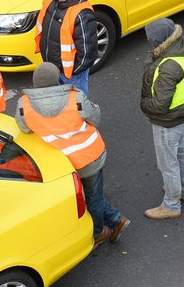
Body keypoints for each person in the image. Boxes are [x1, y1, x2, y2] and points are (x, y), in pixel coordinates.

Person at [17, 62, 129, 247]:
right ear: (57, 79)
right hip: (89, 156)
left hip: (60, 164)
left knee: (86, 197)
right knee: (93, 196)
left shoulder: (24, 104)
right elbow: (96, 118)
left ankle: (108, 225)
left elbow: (24, 128)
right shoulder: (75, 98)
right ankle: (104, 228)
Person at [140, 18, 184, 220]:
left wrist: (145, 105)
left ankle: (171, 204)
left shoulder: (168, 67)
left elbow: (160, 104)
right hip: (183, 114)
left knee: (167, 164)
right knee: (180, 151)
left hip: (168, 121)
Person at [35, 0, 98, 94]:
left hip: (71, 75)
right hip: (53, 68)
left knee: (76, 107)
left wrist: (74, 71)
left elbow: (88, 51)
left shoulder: (82, 14)